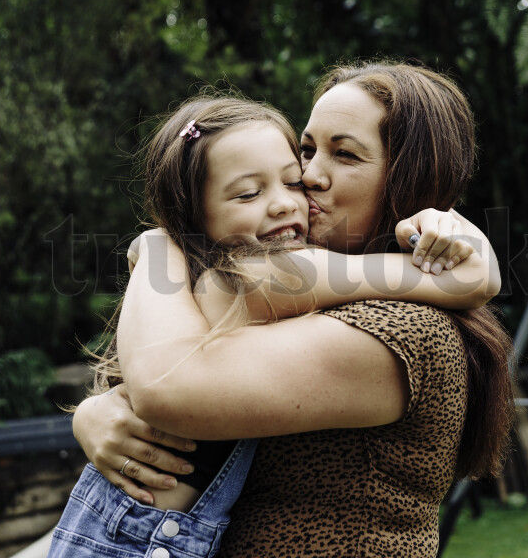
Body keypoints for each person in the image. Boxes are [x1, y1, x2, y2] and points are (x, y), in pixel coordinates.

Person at [50, 88, 503, 558]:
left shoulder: (403, 328)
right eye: (307, 150)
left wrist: (158, 247)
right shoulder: (293, 292)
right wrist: (94, 413)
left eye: (344, 154)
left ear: (410, 177)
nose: (308, 178)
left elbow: (170, 380)